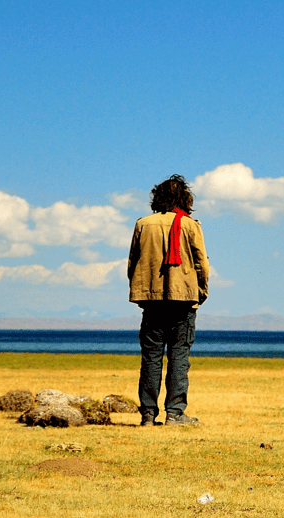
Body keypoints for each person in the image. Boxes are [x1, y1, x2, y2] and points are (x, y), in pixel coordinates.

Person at [128, 175, 209, 426]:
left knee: (151, 357)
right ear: (185, 198)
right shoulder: (190, 225)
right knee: (179, 357)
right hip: (183, 299)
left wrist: (142, 289)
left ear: (157, 198)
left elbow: (133, 263)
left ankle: (148, 415)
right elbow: (201, 264)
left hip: (151, 300)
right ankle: (174, 413)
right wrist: (201, 292)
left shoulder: (143, 223)